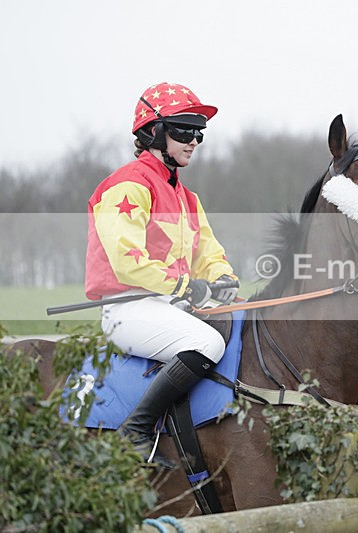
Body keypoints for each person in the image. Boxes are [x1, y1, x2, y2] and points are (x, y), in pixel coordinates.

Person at [85, 82, 239, 468]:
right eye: (184, 130)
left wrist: (223, 278)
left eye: (199, 133)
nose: (194, 141)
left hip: (169, 305)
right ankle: (136, 429)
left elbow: (208, 252)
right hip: (128, 308)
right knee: (207, 343)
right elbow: (128, 261)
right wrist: (187, 285)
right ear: (153, 132)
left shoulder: (188, 198)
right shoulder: (128, 185)